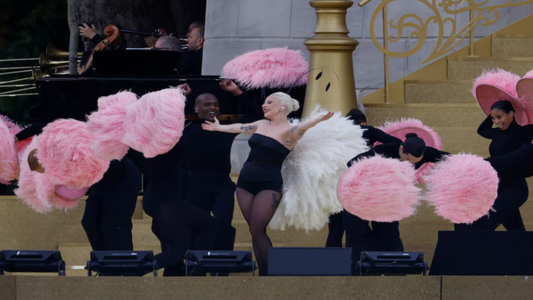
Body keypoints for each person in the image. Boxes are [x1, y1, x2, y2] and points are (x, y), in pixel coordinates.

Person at [202, 92, 333, 276]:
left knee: (258, 228)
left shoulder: (289, 133)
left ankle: (271, 274)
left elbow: (303, 127)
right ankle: (264, 274)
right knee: (253, 230)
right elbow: (241, 127)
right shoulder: (261, 124)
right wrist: (219, 127)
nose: (264, 105)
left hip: (269, 184)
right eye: (264, 102)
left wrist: (318, 119)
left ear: (282, 107)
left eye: (269, 102)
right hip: (244, 182)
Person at [178, 80, 262, 276]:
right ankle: (195, 267)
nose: (213, 107)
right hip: (194, 183)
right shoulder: (185, 129)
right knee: (197, 225)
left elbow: (257, 116)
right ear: (196, 107)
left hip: (222, 184)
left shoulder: (225, 129)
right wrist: (176, 95)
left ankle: (221, 266)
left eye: (216, 104)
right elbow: (161, 118)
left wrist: (237, 91)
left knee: (224, 224)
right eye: (207, 104)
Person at [343, 134, 449, 266]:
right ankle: (360, 271)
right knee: (358, 235)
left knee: (389, 235)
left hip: (387, 201)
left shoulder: (424, 153)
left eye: (415, 162)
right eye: (408, 160)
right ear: (401, 149)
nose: (410, 164)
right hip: (360, 196)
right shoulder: (384, 150)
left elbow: (450, 158)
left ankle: (393, 271)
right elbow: (351, 163)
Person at [326, 109, 401, 248]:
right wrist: (376, 153)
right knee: (359, 226)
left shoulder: (336, 134)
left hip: (335, 181)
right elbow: (396, 143)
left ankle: (331, 266)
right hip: (360, 181)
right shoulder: (369, 130)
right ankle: (365, 262)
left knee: (335, 230)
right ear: (364, 122)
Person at [455, 100, 533, 232]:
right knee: (516, 231)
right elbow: (482, 130)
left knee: (485, 224)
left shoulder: (525, 132)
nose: (496, 121)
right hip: (497, 187)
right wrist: (492, 113)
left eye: (499, 117)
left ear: (511, 114)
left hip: (515, 188)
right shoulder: (496, 133)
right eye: (493, 118)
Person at [81, 151, 141, 253]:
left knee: (114, 224)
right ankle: (106, 262)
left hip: (122, 173)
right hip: (103, 173)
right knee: (89, 220)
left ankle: (122, 265)